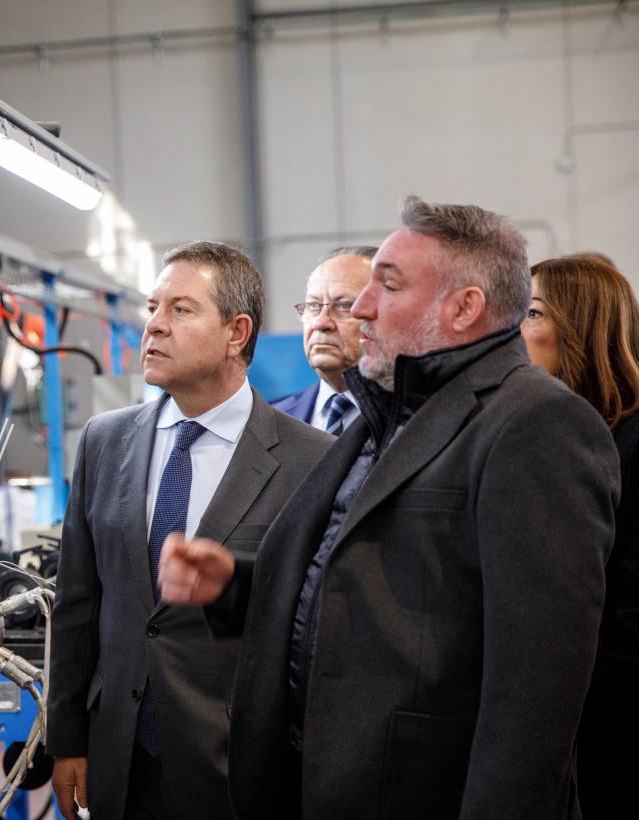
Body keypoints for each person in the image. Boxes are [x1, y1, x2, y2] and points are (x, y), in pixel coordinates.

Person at [157, 198, 620, 819]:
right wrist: (237, 585)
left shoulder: (537, 424)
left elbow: (535, 695)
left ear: (463, 309)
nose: (363, 306)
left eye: (388, 285)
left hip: (416, 792)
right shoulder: (386, 417)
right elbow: (370, 585)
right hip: (321, 783)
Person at [47, 241, 332, 820]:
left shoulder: (313, 461)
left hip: (239, 768)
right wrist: (69, 738)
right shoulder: (105, 441)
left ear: (236, 332)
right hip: (119, 757)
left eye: (180, 310)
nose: (153, 327)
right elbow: (78, 603)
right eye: (153, 308)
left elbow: (319, 628)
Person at [522, 253, 639, 820]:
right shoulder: (540, 433)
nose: (515, 328)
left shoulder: (631, 439)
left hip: (607, 724)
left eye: (533, 311)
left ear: (579, 325)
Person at [272, 246, 375, 435]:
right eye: (313, 306)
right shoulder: (270, 423)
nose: (321, 322)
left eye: (344, 306)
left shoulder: (417, 420)